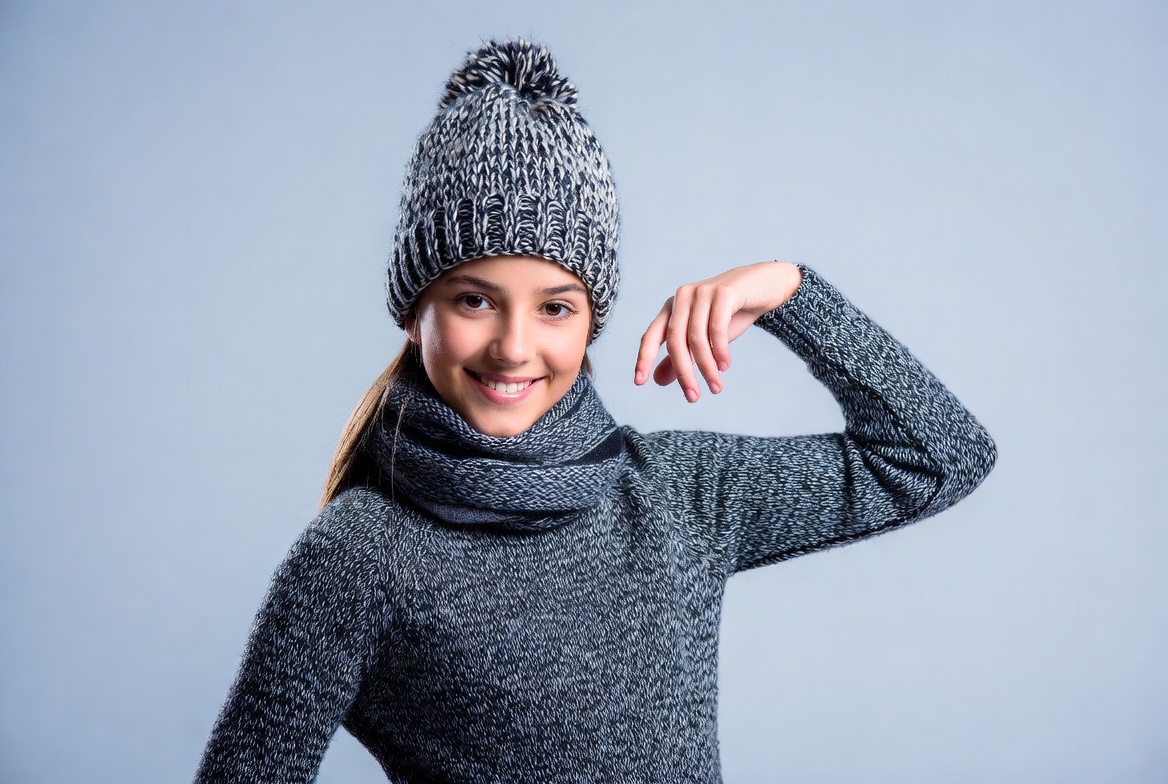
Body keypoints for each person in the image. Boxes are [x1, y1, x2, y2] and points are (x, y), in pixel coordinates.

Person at [195, 39, 996, 783]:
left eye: (555, 308)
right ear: (415, 312)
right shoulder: (357, 557)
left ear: (591, 321)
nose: (513, 348)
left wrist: (788, 290)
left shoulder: (681, 495)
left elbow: (940, 457)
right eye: (474, 299)